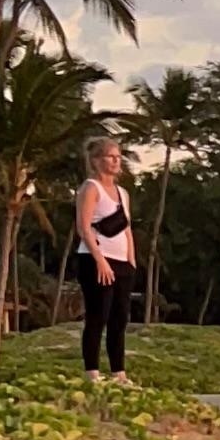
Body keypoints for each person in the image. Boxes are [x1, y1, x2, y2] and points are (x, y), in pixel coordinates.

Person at [70, 132, 138, 379]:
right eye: (110, 157)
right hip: (95, 259)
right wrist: (100, 260)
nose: (115, 161)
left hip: (122, 262)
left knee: (120, 318)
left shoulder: (123, 193)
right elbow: (84, 227)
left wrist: (131, 260)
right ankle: (92, 372)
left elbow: (127, 228)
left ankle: (119, 373)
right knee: (98, 316)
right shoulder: (90, 188)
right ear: (97, 160)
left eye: (118, 157)